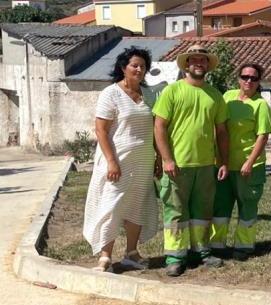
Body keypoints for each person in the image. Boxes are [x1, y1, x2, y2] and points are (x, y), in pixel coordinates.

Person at [153, 44, 229, 277]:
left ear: (208, 65)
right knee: (175, 211)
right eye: (193, 60)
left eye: (203, 60)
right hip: (177, 165)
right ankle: (175, 256)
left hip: (205, 165)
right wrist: (166, 158)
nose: (198, 63)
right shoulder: (172, 91)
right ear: (186, 64)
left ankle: (201, 251)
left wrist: (223, 161)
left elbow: (222, 132)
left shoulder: (215, 95)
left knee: (202, 211)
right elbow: (159, 126)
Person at [82, 48, 160, 272]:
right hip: (117, 161)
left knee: (137, 205)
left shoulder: (150, 94)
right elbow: (101, 130)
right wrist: (112, 162)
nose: (139, 69)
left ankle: (131, 254)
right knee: (111, 206)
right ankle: (105, 256)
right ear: (123, 68)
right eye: (134, 65)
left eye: (143, 66)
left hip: (143, 160)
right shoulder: (111, 94)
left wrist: (158, 159)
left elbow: (154, 129)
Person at [210, 63, 271, 261]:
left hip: (249, 167)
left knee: (247, 206)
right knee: (220, 205)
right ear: (238, 78)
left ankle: (243, 246)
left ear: (258, 82)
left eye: (253, 78)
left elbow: (262, 136)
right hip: (225, 164)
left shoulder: (260, 104)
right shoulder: (227, 97)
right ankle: (216, 244)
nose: (248, 81)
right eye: (245, 77)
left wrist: (249, 162)